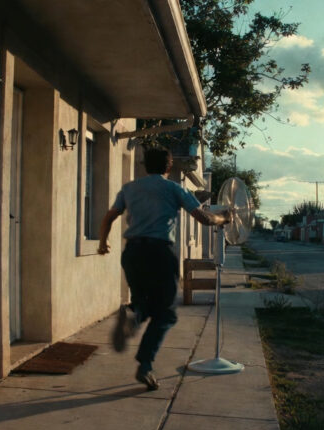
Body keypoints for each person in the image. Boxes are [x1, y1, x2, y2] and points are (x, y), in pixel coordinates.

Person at [98, 148, 230, 390]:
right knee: (166, 312)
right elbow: (203, 218)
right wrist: (222, 219)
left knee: (143, 302)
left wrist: (102, 242)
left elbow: (109, 216)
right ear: (168, 167)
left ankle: (133, 312)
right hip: (160, 253)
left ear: (145, 165)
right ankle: (145, 365)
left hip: (133, 253)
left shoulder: (129, 189)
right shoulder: (175, 189)